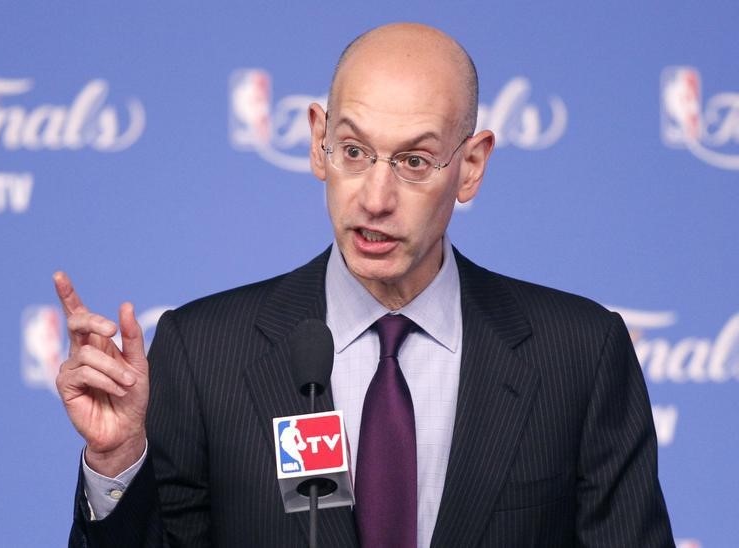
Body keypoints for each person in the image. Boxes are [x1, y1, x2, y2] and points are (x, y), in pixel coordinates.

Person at [55, 22, 674, 547]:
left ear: (472, 166)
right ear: (318, 142)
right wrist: (116, 464)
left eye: (413, 161)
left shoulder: (580, 354)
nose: (375, 199)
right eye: (353, 151)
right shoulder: (203, 351)